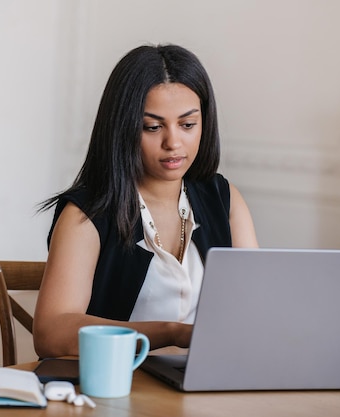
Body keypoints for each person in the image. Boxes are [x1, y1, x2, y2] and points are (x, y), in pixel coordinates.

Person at [33, 44, 258, 358]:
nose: (173, 143)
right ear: (122, 128)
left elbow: (253, 308)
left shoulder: (225, 199)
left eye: (188, 124)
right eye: (152, 127)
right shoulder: (87, 215)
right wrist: (171, 333)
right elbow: (51, 333)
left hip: (208, 386)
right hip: (118, 388)